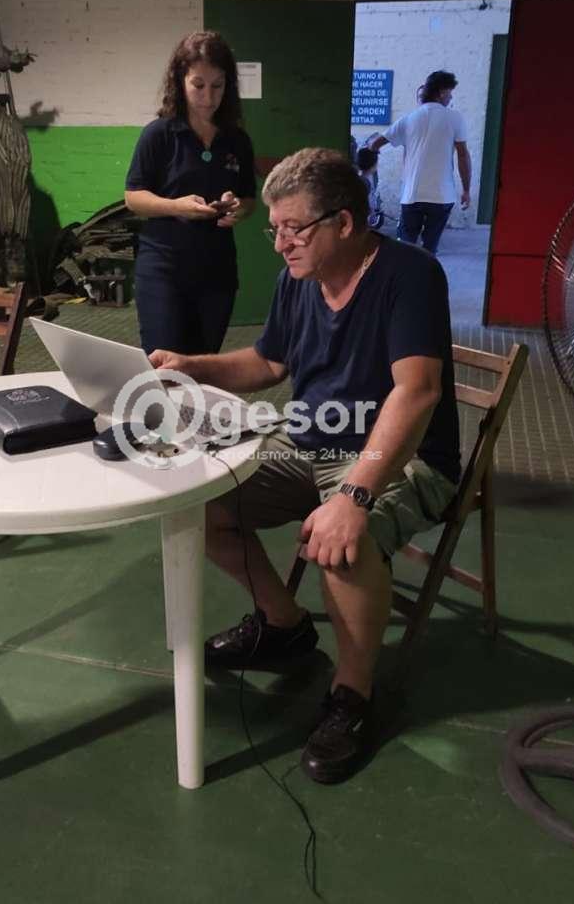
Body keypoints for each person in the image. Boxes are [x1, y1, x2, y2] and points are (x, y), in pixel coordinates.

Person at [149, 147, 461, 784]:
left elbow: (418, 392)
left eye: (294, 228)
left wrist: (354, 495)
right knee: (197, 502)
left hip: (401, 456)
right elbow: (269, 364)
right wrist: (191, 366)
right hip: (308, 444)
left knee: (343, 538)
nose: (280, 244)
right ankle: (284, 625)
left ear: (344, 223)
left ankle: (352, 693)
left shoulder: (410, 275)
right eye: (275, 229)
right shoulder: (300, 279)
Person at [124, 31, 257, 354]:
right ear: (180, 82)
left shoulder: (237, 139)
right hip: (164, 268)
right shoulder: (158, 134)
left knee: (204, 364)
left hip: (217, 271)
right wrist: (176, 207)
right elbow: (133, 197)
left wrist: (237, 208)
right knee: (165, 365)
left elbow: (249, 199)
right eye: (198, 85)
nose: (208, 97)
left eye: (217, 86)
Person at [368, 69, 471, 255]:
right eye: (449, 92)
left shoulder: (409, 119)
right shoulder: (455, 118)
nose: (451, 97)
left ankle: (406, 273)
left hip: (412, 195)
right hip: (442, 196)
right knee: (429, 249)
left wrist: (370, 163)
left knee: (406, 248)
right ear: (441, 92)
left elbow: (375, 144)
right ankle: (427, 270)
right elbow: (462, 155)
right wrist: (466, 190)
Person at [355, 146, 383, 229]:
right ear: (373, 165)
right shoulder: (366, 182)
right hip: (365, 222)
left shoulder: (359, 178)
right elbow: (366, 204)